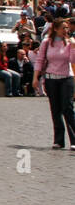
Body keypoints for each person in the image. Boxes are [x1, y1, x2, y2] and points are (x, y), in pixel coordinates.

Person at [34, 18, 75, 150]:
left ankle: (73, 140)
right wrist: (36, 77)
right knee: (55, 109)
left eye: (67, 28)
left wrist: (73, 47)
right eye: (63, 28)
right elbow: (40, 60)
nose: (66, 30)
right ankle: (58, 140)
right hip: (51, 78)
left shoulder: (69, 42)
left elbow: (72, 60)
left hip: (66, 78)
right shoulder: (47, 42)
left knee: (67, 108)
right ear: (56, 29)